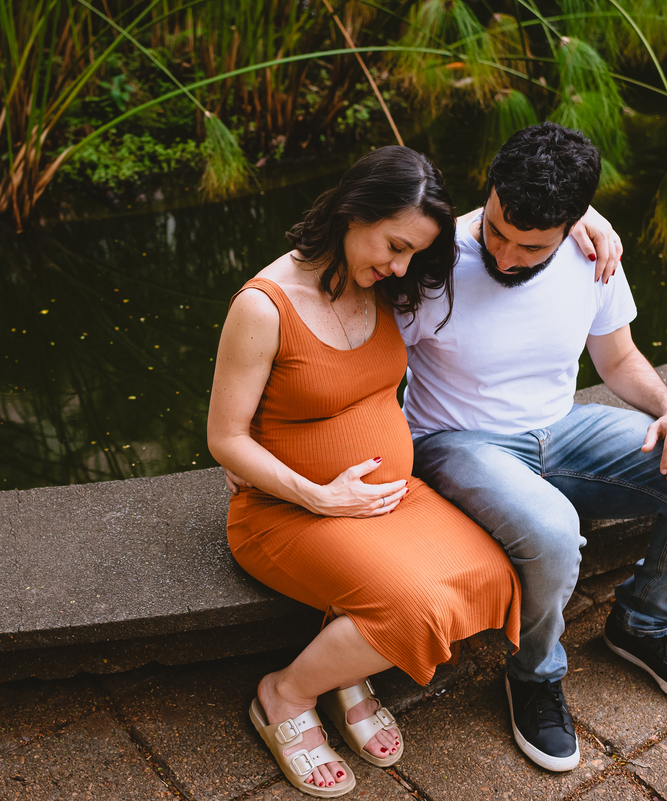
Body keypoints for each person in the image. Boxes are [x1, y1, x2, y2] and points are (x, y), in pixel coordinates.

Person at [207, 145, 619, 797]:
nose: (401, 266)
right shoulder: (264, 306)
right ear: (354, 211)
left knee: (491, 572)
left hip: (391, 498)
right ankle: (284, 694)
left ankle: (345, 667)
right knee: (416, 607)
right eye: (395, 246)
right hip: (288, 510)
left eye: (413, 253)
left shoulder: (385, 282)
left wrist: (586, 216)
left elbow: (509, 202)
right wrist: (316, 493)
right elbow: (224, 437)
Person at [398, 122, 667, 773]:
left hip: (562, 429)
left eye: (531, 246)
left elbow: (617, 360)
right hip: (456, 441)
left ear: (570, 225)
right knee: (555, 530)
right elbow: (366, 365)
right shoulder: (432, 261)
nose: (507, 255)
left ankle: (641, 625)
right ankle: (534, 673)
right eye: (498, 230)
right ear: (490, 192)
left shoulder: (593, 252)